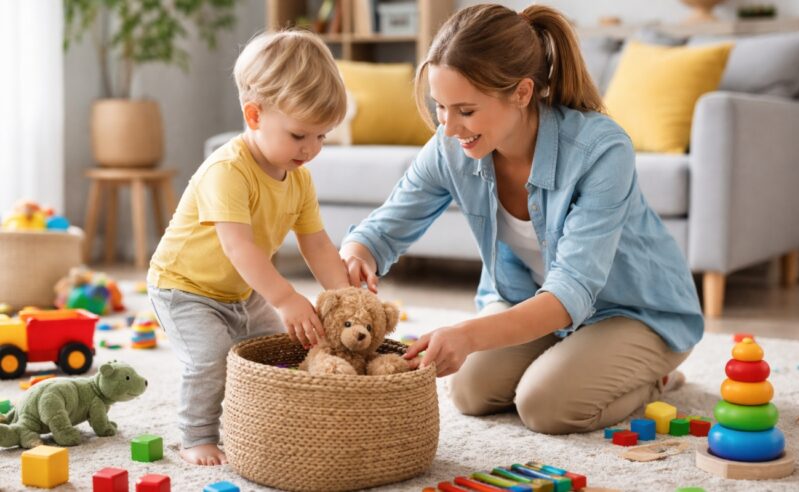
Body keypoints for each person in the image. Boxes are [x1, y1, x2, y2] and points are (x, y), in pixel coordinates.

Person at [340, 4, 704, 434]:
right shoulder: (451, 146)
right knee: (470, 392)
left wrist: (469, 335)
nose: (450, 127)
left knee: (545, 407)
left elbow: (572, 291)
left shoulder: (601, 151)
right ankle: (570, 359)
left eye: (466, 110)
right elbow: (383, 229)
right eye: (440, 107)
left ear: (522, 93)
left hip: (633, 311)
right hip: (532, 301)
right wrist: (357, 254)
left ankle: (655, 378)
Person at [147, 30, 351, 465]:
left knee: (274, 352)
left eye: (322, 137)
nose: (311, 149)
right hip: (184, 288)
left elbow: (316, 244)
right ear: (255, 115)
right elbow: (238, 248)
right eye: (300, 135)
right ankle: (197, 435)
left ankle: (264, 421)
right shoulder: (228, 170)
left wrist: (345, 298)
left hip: (241, 291)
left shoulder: (298, 178)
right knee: (210, 358)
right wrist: (286, 297)